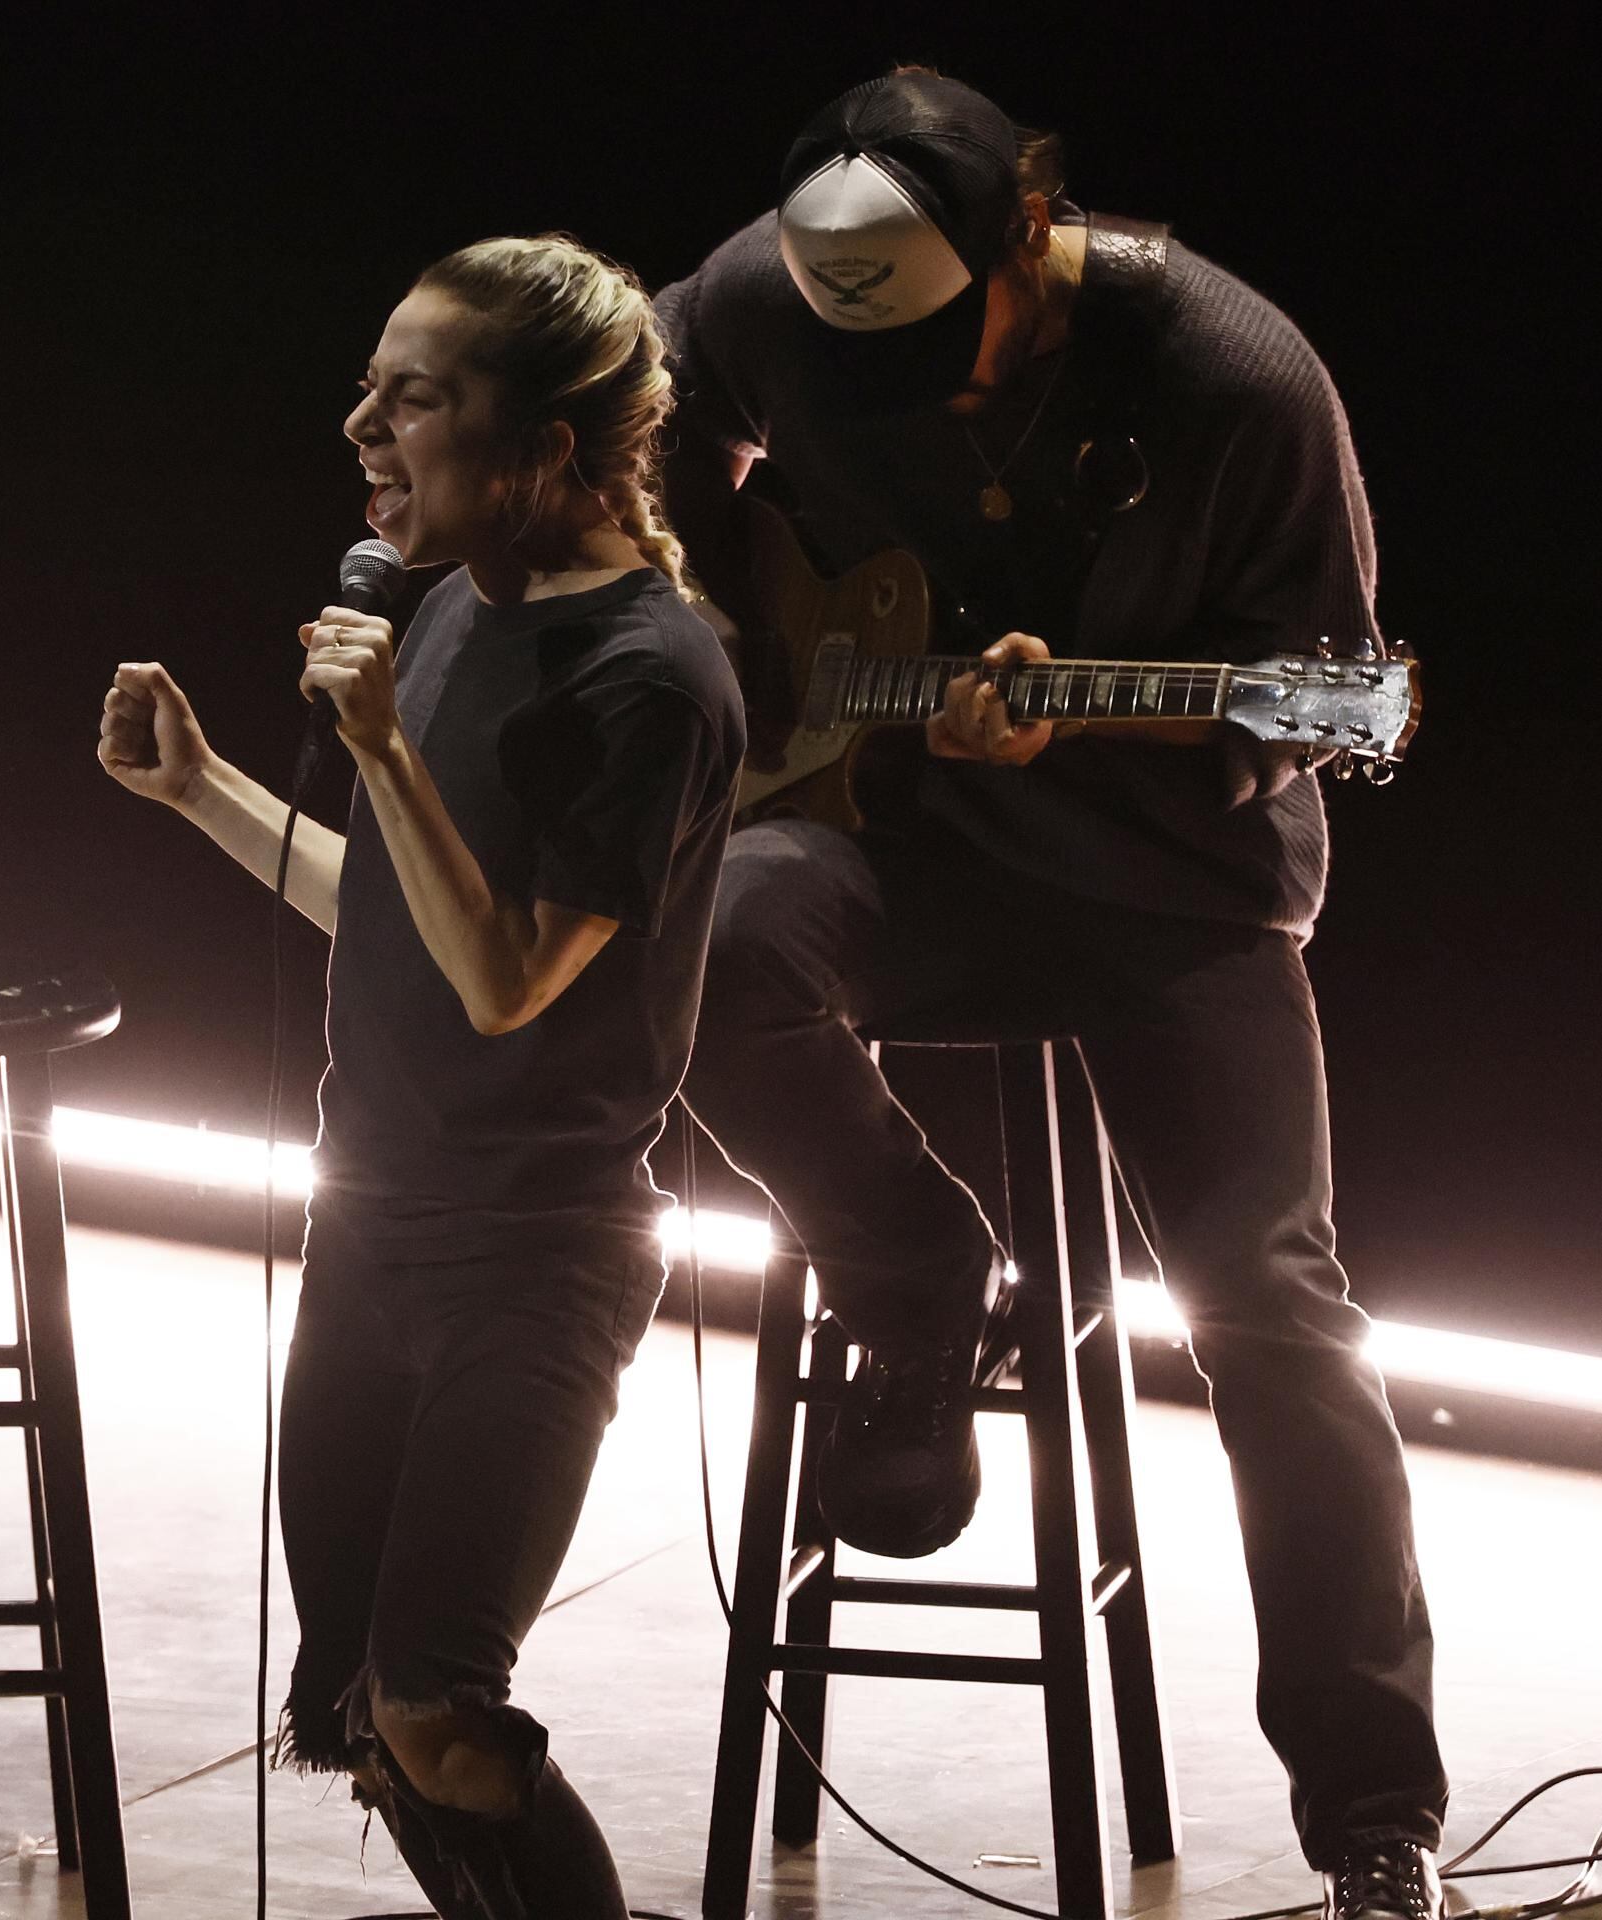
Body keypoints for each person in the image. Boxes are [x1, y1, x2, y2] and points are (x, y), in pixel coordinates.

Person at [655, 68, 1447, 1920]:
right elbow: (652, 439)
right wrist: (717, 622)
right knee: (708, 946)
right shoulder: (759, 294)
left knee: (1267, 1300)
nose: (905, 383)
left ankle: (1372, 1828)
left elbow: (1332, 684)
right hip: (889, 837)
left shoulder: (1233, 375)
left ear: (1029, 233)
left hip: (1169, 890)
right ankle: (919, 1265)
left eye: (938, 333)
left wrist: (1100, 696)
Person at [98, 234, 745, 1920]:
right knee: (364, 1717)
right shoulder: (453, 609)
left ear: (541, 445)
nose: (360, 426)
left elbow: (508, 976)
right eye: (372, 385)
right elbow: (389, 907)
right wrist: (209, 795)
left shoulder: (650, 677)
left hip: (531, 1261)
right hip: (371, 1232)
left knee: (437, 1708)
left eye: (416, 396)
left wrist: (383, 742)